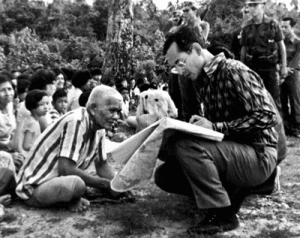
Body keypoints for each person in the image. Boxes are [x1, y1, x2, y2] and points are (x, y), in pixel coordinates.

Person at [155, 26, 281, 235]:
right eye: (175, 67)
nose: (180, 70)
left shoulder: (234, 70)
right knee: (165, 174)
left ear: (196, 49)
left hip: (259, 153)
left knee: (187, 147)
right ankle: (248, 187)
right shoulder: (202, 79)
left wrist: (216, 126)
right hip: (234, 153)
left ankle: (223, 213)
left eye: (180, 62)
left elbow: (267, 116)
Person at [16, 85, 126, 212]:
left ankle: (68, 197)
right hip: (34, 187)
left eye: (118, 112)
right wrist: (105, 184)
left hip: (54, 182)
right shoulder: (76, 121)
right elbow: (66, 169)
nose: (116, 117)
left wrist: (117, 184)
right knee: (78, 185)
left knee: (84, 183)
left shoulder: (99, 127)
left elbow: (102, 164)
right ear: (93, 108)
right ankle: (69, 199)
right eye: (112, 111)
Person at [240, 0, 287, 112]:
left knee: (274, 102)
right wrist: (241, 68)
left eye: (255, 5)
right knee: (254, 101)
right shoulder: (247, 27)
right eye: (250, 6)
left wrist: (284, 67)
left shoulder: (273, 24)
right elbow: (243, 49)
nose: (252, 8)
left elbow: (282, 47)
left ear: (263, 5)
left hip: (269, 69)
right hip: (253, 69)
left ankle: (278, 128)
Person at [12, 90, 50, 157]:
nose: (46, 107)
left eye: (47, 103)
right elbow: (26, 146)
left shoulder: (30, 119)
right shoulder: (32, 123)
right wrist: (41, 146)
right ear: (32, 106)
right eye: (41, 104)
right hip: (25, 156)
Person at [280, 17, 300, 137]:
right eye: (282, 27)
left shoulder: (298, 43)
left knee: (295, 100)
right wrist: (281, 70)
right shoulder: (280, 42)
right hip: (280, 73)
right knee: (281, 100)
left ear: (292, 27)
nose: (283, 29)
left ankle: (297, 128)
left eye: (286, 27)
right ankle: (286, 128)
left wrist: (286, 71)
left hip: (293, 74)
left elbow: (296, 60)